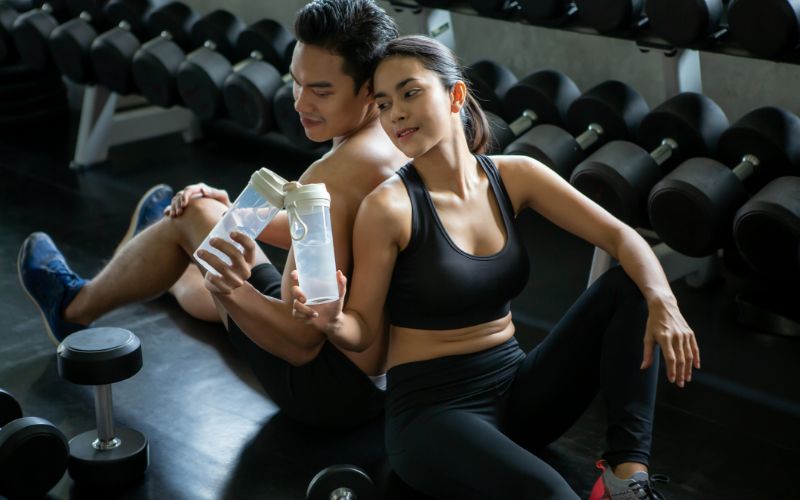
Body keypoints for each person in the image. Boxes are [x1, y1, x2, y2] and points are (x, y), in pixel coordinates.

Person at [291, 35, 700, 498]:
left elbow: (621, 237)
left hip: (515, 389)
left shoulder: (514, 176)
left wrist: (664, 300)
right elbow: (363, 329)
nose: (396, 114)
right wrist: (333, 322)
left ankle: (626, 479)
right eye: (384, 104)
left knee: (632, 284)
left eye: (410, 92)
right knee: (555, 495)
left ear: (455, 95)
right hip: (433, 415)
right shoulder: (388, 208)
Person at [17, 0, 408, 429]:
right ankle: (170, 254)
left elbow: (300, 343)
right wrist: (232, 219)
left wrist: (229, 288)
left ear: (368, 88)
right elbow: (336, 237)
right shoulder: (403, 136)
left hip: (321, 389)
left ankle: (72, 308)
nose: (300, 102)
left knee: (196, 223)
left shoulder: (333, 175)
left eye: (321, 90)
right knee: (208, 232)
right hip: (385, 385)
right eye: (296, 83)